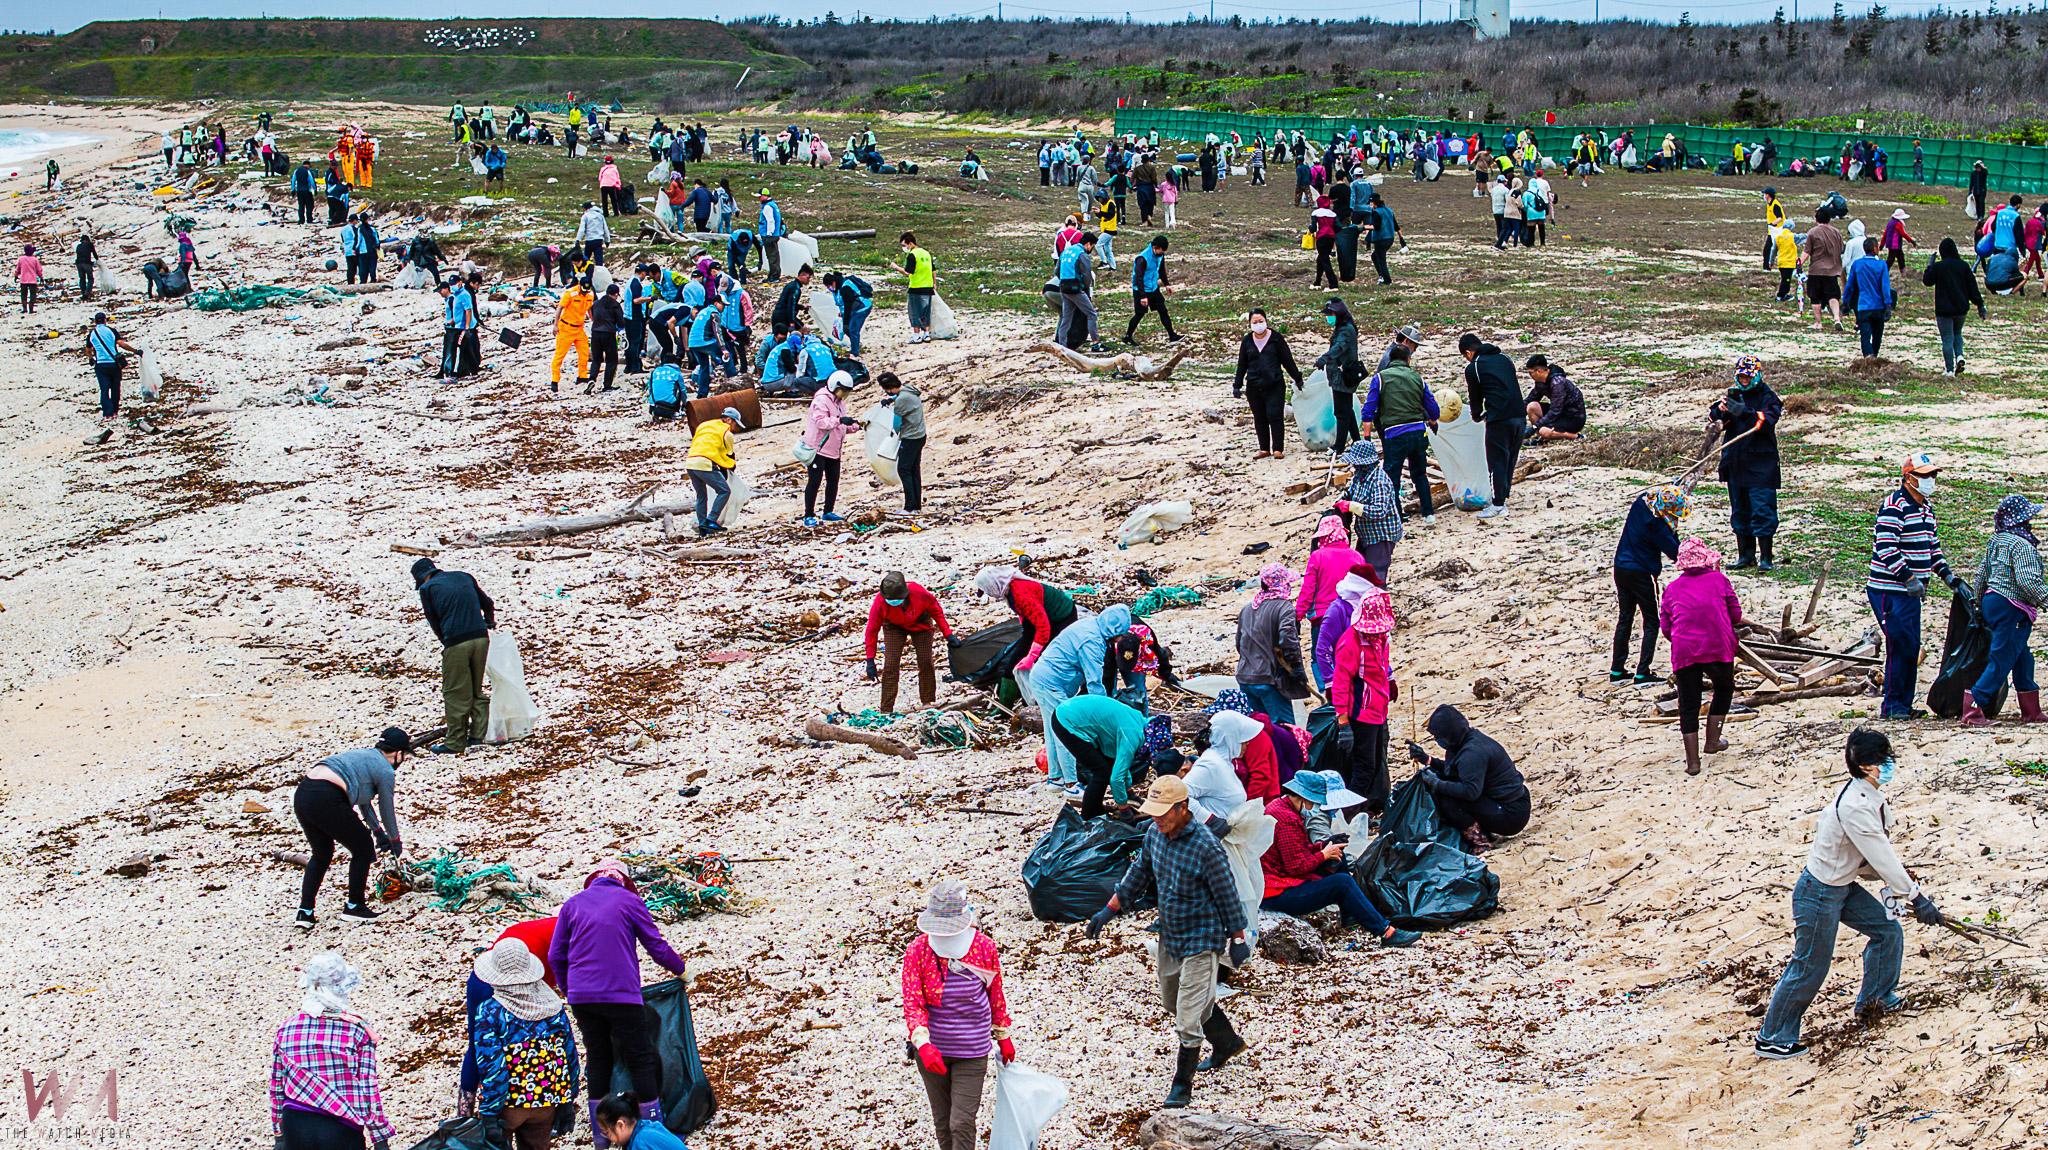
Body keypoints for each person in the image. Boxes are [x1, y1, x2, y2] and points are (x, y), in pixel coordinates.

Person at [1755, 729, 1943, 1059]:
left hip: (1843, 886)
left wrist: (1905, 891)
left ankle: (1877, 998)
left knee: (1887, 931)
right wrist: (1916, 898)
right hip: (1819, 892)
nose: (1891, 764)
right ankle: (1773, 1036)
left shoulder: (1866, 793)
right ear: (1869, 765)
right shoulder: (1856, 806)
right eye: (1886, 759)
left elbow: (1872, 857)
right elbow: (1881, 854)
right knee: (1810, 965)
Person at [1084, 774, 1249, 1109]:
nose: (1156, 818)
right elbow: (1138, 874)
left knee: (1187, 1018)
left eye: (1163, 812)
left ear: (1183, 808)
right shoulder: (1154, 835)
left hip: (1203, 937)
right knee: (1173, 1001)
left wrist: (1238, 938)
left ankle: (1181, 1086)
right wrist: (1107, 911)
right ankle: (1227, 1041)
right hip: (1170, 933)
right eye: (1153, 812)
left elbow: (1228, 895)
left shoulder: (1206, 847)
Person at [550, 861, 690, 1134]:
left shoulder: (572, 904)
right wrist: (681, 969)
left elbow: (556, 955)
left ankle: (601, 1134)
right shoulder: (630, 901)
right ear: (623, 881)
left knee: (599, 1056)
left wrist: (570, 989)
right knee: (640, 1057)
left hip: (583, 998)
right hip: (621, 995)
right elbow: (656, 946)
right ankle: (653, 1128)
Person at [901, 880, 1015, 1150]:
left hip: (972, 1051)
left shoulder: (984, 948)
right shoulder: (917, 951)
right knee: (942, 1121)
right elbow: (913, 1003)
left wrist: (1003, 1035)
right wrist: (923, 1044)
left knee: (961, 1122)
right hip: (932, 1051)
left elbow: (995, 994)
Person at [1260, 771, 1419, 945]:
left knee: (1338, 860)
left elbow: (1294, 850)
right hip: (1277, 891)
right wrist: (1323, 854)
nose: (1315, 805)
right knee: (1342, 882)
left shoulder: (1279, 806)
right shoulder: (1287, 819)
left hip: (1275, 883)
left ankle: (1351, 912)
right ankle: (1386, 932)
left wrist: (1325, 845)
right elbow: (1296, 866)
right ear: (1304, 797)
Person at [1867, 451, 1970, 720]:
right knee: (1899, 645)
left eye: (1933, 475)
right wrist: (1908, 578)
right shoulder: (1894, 506)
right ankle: (1891, 707)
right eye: (1925, 475)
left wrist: (1948, 576)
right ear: (1908, 478)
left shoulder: (1926, 509)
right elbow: (1886, 548)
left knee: (1911, 647)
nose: (1930, 480)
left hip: (1912, 593)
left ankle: (1903, 704)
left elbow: (1932, 549)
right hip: (1890, 590)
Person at [271, 954, 397, 1150]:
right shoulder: (357, 1031)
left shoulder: (287, 1029)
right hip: (340, 1126)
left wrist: (279, 1135)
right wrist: (379, 1135)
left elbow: (277, 1086)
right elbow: (368, 1087)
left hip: (295, 1122)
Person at [292, 728, 410, 928]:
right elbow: (386, 806)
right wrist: (395, 840)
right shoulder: (385, 770)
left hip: (304, 794)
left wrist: (378, 832)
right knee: (363, 848)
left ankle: (305, 912)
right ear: (398, 753)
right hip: (327, 795)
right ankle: (354, 906)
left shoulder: (364, 757)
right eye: (405, 755)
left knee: (322, 853)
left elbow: (364, 801)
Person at [470, 938, 579, 1150]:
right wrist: (568, 1098)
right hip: (547, 1101)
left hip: (509, 1105)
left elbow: (492, 1065)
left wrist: (489, 1112)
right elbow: (569, 1055)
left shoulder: (490, 1012)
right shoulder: (552, 1007)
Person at [1661, 538, 1745, 774]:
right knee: (1724, 688)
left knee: (1688, 703)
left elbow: (1666, 627)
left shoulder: (1672, 589)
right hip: (1717, 645)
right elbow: (1736, 615)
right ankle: (1713, 740)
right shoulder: (1719, 580)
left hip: (1684, 650)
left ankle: (1693, 762)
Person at [1031, 605, 1134, 795]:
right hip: (1051, 682)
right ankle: (1071, 784)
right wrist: (1105, 712)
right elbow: (1094, 681)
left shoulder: (1091, 625)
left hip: (1043, 677)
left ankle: (1055, 779)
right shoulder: (1092, 642)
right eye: (1120, 634)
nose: (1120, 639)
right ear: (1114, 630)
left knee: (1052, 729)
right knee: (1065, 730)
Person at [1964, 494, 2047, 725]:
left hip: (1993, 603)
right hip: (2012, 608)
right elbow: (2028, 582)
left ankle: (2031, 711)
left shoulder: (1997, 541)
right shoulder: (2023, 547)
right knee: (2001, 659)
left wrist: (1978, 603)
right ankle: (1972, 709)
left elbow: (1982, 575)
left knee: (2022, 658)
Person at [1408, 705, 1530, 852]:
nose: (1436, 740)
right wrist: (1428, 760)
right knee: (1447, 786)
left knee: (1448, 800)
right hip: (1506, 803)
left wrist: (1436, 784)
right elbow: (1455, 772)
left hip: (1510, 814)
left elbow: (1470, 792)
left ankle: (1480, 842)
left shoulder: (1472, 753)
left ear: (1449, 734)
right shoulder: (1465, 742)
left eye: (1438, 737)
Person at [412, 558, 495, 754]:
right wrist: (489, 622)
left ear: (423, 578)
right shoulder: (464, 577)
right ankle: (477, 737)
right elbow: (488, 603)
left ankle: (455, 742)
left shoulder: (428, 589)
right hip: (481, 639)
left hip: (457, 643)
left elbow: (434, 621)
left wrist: (446, 643)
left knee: (455, 692)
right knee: (476, 689)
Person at [1709, 355, 1784, 570]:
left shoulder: (1769, 397)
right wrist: (1720, 411)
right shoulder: (1733, 394)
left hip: (1761, 465)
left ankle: (1766, 558)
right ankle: (1745, 555)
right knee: (1740, 510)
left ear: (1757, 375)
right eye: (1740, 377)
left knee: (1762, 510)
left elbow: (1767, 420)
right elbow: (1715, 419)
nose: (1744, 381)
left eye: (1747, 377)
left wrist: (1745, 412)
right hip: (1735, 462)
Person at [1329, 581, 1396, 815]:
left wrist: (1391, 680)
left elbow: (1383, 667)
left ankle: (1363, 810)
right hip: (1362, 714)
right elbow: (1341, 684)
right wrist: (1344, 722)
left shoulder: (1382, 638)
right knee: (1363, 768)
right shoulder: (1350, 643)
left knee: (1376, 763)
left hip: (1379, 710)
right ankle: (1348, 815)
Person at [1611, 485, 1688, 685]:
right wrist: (1674, 529)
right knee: (1652, 621)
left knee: (1625, 618)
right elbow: (1676, 553)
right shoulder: (1659, 527)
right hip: (1642, 572)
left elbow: (1660, 492)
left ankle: (1617, 670)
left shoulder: (1641, 503)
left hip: (1620, 567)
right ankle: (1643, 672)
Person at [1360, 337, 1437, 520]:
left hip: (1394, 434)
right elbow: (1433, 407)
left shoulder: (1379, 378)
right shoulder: (1417, 378)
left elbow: (1368, 410)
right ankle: (1428, 514)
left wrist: (1367, 436)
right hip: (1418, 432)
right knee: (1419, 474)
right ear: (1408, 360)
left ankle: (1397, 515)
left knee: (1392, 477)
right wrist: (1433, 421)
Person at [864, 571, 954, 713]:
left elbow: (936, 611)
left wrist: (948, 635)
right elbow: (872, 630)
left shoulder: (919, 593)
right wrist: (870, 659)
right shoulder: (880, 602)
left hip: (921, 623)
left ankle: (928, 701)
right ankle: (886, 709)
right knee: (890, 665)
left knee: (925, 661)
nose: (893, 601)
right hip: (894, 626)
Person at [972, 566, 1078, 684]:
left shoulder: (1020, 594)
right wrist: (1026, 630)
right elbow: (1025, 612)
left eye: (987, 590)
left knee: (1048, 654)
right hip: (1042, 615)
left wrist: (1032, 656)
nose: (989, 594)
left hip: (1061, 615)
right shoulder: (1008, 590)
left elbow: (1043, 627)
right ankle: (1008, 686)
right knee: (1018, 656)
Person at [1053, 694, 1152, 816]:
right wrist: (1124, 809)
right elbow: (1116, 779)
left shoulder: (1140, 722)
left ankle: (1098, 809)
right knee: (1101, 772)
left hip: (1074, 712)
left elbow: (1118, 762)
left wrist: (1129, 793)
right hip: (1067, 721)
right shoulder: (1132, 737)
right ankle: (1089, 816)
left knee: (1108, 765)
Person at [1235, 563, 1309, 726]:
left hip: (1246, 678)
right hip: (1270, 680)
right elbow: (1288, 641)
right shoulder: (1284, 608)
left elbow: (1240, 644)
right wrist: (1296, 667)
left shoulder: (1247, 609)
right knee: (1284, 730)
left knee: (1260, 729)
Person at [1460, 333, 1524, 519]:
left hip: (1499, 419)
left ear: (1468, 352)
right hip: (1519, 415)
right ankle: (1503, 495)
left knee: (1497, 460)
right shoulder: (1505, 358)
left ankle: (1497, 504)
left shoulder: (1475, 368)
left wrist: (1476, 415)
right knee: (1510, 458)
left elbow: (1475, 396)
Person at [1233, 309, 1302, 460]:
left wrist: (1297, 378)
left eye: (1260, 321)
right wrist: (1237, 385)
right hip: (1253, 385)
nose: (1258, 325)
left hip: (1275, 384)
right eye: (1254, 322)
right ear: (1250, 324)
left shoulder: (1276, 339)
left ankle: (1278, 448)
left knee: (1274, 415)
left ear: (1266, 321)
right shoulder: (1247, 341)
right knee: (1259, 417)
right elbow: (1242, 364)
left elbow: (1287, 360)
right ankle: (1264, 448)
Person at [1335, 439, 1403, 576]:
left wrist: (1351, 506)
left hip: (1381, 535)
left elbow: (1379, 511)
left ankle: (1378, 596)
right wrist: (1342, 500)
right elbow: (1351, 492)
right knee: (1360, 570)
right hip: (1366, 533)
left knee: (1375, 573)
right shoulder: (1359, 476)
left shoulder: (1379, 481)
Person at [800, 372, 857, 526]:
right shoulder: (821, 400)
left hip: (834, 449)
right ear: (835, 386)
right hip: (818, 448)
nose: (844, 394)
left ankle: (828, 511)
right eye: (843, 390)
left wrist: (856, 425)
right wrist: (839, 420)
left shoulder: (839, 402)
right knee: (815, 481)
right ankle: (808, 514)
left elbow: (841, 425)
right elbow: (822, 423)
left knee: (833, 480)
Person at [1922, 237, 1986, 375]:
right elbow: (1972, 288)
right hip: (1961, 308)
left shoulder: (1939, 267)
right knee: (1957, 333)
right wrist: (1980, 304)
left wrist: (1930, 265)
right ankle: (1960, 356)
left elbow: (1927, 281)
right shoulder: (1963, 266)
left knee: (1947, 338)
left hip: (1944, 310)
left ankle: (1950, 370)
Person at [684, 407, 745, 536]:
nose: (734, 428)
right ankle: (711, 520)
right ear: (728, 420)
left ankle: (702, 526)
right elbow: (729, 457)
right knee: (724, 490)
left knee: (701, 495)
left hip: (690, 462)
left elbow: (703, 444)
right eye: (734, 424)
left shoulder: (704, 425)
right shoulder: (726, 433)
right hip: (704, 463)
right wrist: (729, 471)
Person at [1314, 299, 1362, 454]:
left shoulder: (1345, 330)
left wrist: (1324, 358)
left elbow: (1339, 347)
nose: (1328, 317)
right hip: (1341, 375)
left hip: (1343, 376)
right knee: (1347, 410)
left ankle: (1339, 446)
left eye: (1331, 314)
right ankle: (1357, 441)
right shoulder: (1343, 327)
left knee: (1341, 412)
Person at [85, 312, 139, 443]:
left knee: (104, 389)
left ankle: (107, 413)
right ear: (105, 320)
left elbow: (88, 349)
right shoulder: (111, 331)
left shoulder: (92, 334)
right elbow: (121, 344)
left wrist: (91, 358)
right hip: (114, 364)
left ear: (95, 321)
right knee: (116, 388)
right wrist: (135, 351)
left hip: (101, 365)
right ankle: (114, 411)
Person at [880, 372, 927, 513]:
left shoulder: (901, 401)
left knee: (904, 470)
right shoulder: (909, 389)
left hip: (910, 438)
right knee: (914, 470)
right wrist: (891, 399)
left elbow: (896, 424)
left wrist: (893, 434)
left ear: (888, 388)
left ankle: (909, 506)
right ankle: (916, 506)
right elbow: (899, 395)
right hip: (920, 435)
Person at [1842, 237, 1896, 359]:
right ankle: (1874, 356)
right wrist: (1888, 305)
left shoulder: (1857, 264)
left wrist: (1845, 302)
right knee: (1877, 336)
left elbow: (1850, 285)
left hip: (1863, 306)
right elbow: (1885, 287)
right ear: (1875, 249)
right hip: (1879, 306)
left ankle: (1868, 357)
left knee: (1865, 335)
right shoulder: (1882, 265)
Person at [1125, 236, 1178, 344]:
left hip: (1153, 288)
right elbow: (1139, 278)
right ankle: (1128, 337)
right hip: (1141, 290)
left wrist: (1167, 284)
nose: (1162, 253)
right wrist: (1143, 296)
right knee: (1139, 314)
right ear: (1155, 247)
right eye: (1161, 251)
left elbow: (1161, 270)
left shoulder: (1160, 255)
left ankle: (1172, 335)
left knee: (1163, 311)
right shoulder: (1142, 259)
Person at [1521, 355, 1585, 442]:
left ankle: (1575, 436)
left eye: (1530, 373)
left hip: (1573, 418)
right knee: (1532, 406)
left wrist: (1534, 427)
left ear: (1539, 371)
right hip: (1560, 414)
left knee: (1543, 431)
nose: (1530, 376)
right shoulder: (1541, 382)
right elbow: (1530, 399)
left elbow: (1555, 411)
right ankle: (1542, 439)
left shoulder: (1557, 383)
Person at [1054, 231, 1099, 353]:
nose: (1091, 249)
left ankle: (1061, 345)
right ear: (1088, 244)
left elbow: (1057, 271)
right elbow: (1086, 275)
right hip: (1075, 289)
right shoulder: (1082, 254)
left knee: (1066, 318)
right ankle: (1096, 344)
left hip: (1064, 287)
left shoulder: (1066, 251)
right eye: (1092, 246)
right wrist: (1085, 288)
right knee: (1092, 314)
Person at [550, 277, 595, 395]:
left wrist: (593, 321)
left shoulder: (590, 295)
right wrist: (555, 325)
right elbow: (560, 308)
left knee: (584, 352)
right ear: (579, 284)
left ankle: (582, 376)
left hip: (579, 328)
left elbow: (589, 310)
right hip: (566, 328)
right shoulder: (570, 293)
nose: (585, 292)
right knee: (560, 355)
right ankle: (555, 380)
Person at [1803, 210, 1847, 329]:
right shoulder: (1836, 232)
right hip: (1832, 270)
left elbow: (1807, 252)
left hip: (1816, 270)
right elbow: (1841, 249)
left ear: (1816, 219)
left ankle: (1818, 322)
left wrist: (1798, 264)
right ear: (1829, 219)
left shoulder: (1812, 232)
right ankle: (1837, 318)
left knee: (1815, 296)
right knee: (1833, 296)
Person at [822, 271, 872, 356]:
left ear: (833, 282)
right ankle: (855, 343)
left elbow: (848, 306)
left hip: (862, 307)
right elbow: (842, 304)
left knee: (853, 329)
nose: (829, 288)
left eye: (829, 286)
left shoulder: (845, 288)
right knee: (847, 329)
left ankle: (855, 352)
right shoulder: (837, 287)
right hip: (854, 308)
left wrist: (845, 322)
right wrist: (842, 314)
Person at [900, 231, 936, 344]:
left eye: (904, 245)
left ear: (910, 243)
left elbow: (908, 272)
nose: (904, 248)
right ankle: (926, 334)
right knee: (925, 311)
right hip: (928, 286)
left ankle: (916, 335)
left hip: (916, 287)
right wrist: (934, 283)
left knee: (915, 312)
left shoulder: (912, 255)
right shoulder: (926, 253)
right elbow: (933, 270)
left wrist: (896, 267)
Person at [439, 277, 477, 380]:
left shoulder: (464, 295)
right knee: (467, 350)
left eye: (454, 283)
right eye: (451, 284)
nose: (452, 286)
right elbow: (457, 313)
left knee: (460, 349)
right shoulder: (456, 295)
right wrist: (451, 322)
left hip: (463, 327)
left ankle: (457, 373)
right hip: (457, 326)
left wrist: (467, 327)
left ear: (460, 283)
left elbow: (468, 311)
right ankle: (470, 371)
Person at [1364, 192, 1401, 284]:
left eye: (1370, 203)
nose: (1369, 205)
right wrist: (1402, 239)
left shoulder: (1376, 212)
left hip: (1381, 239)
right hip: (1390, 238)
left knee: (1381, 260)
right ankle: (1382, 276)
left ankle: (1387, 280)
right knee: (1375, 256)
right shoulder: (1389, 210)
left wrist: (1362, 228)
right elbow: (1396, 227)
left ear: (1374, 203)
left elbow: (1376, 226)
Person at [757, 190, 786, 280]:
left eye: (760, 196)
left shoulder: (767, 207)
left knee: (771, 256)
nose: (759, 198)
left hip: (769, 235)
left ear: (765, 196)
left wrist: (769, 234)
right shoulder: (773, 205)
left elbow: (770, 221)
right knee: (774, 255)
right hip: (775, 234)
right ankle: (774, 274)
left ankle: (774, 276)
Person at [575, 201, 610, 266]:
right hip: (598, 240)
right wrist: (607, 240)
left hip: (589, 240)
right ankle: (600, 272)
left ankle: (585, 271)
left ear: (586, 208)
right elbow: (605, 228)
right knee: (599, 259)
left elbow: (581, 229)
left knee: (586, 259)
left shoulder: (585, 216)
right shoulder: (600, 215)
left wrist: (578, 240)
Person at [14, 244, 42, 315]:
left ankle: (24, 308)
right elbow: (39, 270)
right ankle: (31, 308)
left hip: (23, 280)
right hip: (32, 280)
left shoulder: (21, 259)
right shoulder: (35, 259)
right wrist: (41, 277)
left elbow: (17, 269)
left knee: (23, 295)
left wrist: (16, 276)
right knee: (33, 295)